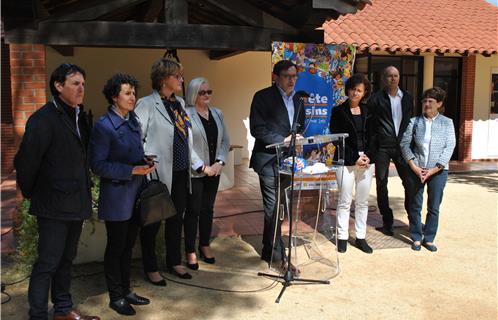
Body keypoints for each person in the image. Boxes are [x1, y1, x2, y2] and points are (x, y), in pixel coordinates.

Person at [14, 63, 100, 320]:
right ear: (58, 86)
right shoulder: (42, 119)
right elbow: (26, 163)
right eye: (75, 83)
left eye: (83, 83)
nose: (81, 88)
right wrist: (33, 194)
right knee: (48, 263)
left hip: (76, 202)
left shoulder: (78, 116)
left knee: (66, 259)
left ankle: (63, 309)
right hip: (52, 205)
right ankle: (38, 315)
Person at [90, 73, 155, 315]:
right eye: (127, 93)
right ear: (114, 97)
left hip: (136, 193)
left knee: (128, 245)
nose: (133, 97)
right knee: (116, 247)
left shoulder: (132, 120)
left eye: (133, 93)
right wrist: (132, 169)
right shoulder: (104, 126)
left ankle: (126, 290)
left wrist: (143, 161)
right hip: (117, 196)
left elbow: (132, 152)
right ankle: (115, 295)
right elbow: (98, 165)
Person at [135, 58, 193, 282]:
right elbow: (136, 137)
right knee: (153, 222)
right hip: (158, 174)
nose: (181, 79)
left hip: (180, 172)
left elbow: (185, 135)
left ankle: (174, 262)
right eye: (177, 76)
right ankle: (151, 267)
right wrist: (144, 160)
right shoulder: (146, 104)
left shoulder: (179, 103)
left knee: (176, 218)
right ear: (163, 79)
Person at [249, 60, 305, 268]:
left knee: (283, 207)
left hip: (289, 162)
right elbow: (258, 129)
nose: (292, 80)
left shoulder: (299, 99)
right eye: (287, 76)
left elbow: (298, 126)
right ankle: (280, 258)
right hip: (268, 160)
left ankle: (268, 249)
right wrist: (283, 140)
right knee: (274, 208)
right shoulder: (262, 97)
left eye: (294, 76)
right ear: (276, 77)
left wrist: (298, 138)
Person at [400, 87, 455, 252]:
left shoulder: (447, 122)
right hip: (416, 169)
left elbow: (449, 146)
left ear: (439, 103)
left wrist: (434, 169)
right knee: (415, 204)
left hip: (438, 171)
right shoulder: (414, 122)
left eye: (431, 101)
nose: (427, 104)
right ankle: (416, 236)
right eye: (424, 101)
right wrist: (414, 167)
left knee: (434, 206)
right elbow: (404, 144)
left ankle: (429, 238)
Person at [184, 77, 230, 270]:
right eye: (203, 92)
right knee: (193, 211)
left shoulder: (217, 113)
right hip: (197, 172)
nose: (207, 95)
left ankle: (204, 244)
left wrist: (220, 162)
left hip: (215, 170)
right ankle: (190, 250)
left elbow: (225, 140)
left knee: (207, 209)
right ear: (194, 94)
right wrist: (202, 167)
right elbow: (186, 144)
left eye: (209, 92)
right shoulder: (186, 114)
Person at [329, 74, 375, 253]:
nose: (355, 93)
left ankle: (361, 237)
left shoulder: (370, 111)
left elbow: (374, 136)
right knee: (344, 200)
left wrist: (368, 156)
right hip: (345, 161)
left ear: (364, 93)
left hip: (367, 162)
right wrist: (354, 157)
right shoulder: (338, 111)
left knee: (362, 202)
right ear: (348, 89)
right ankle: (342, 237)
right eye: (353, 89)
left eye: (359, 90)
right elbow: (336, 138)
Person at [368, 66, 414, 236]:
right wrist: (373, 147)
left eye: (396, 76)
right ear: (383, 79)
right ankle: (387, 220)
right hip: (383, 147)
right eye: (389, 76)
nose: (393, 79)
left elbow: (410, 121)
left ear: (399, 78)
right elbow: (371, 125)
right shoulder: (375, 99)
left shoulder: (408, 98)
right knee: (382, 183)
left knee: (409, 182)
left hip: (402, 146)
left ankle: (412, 217)